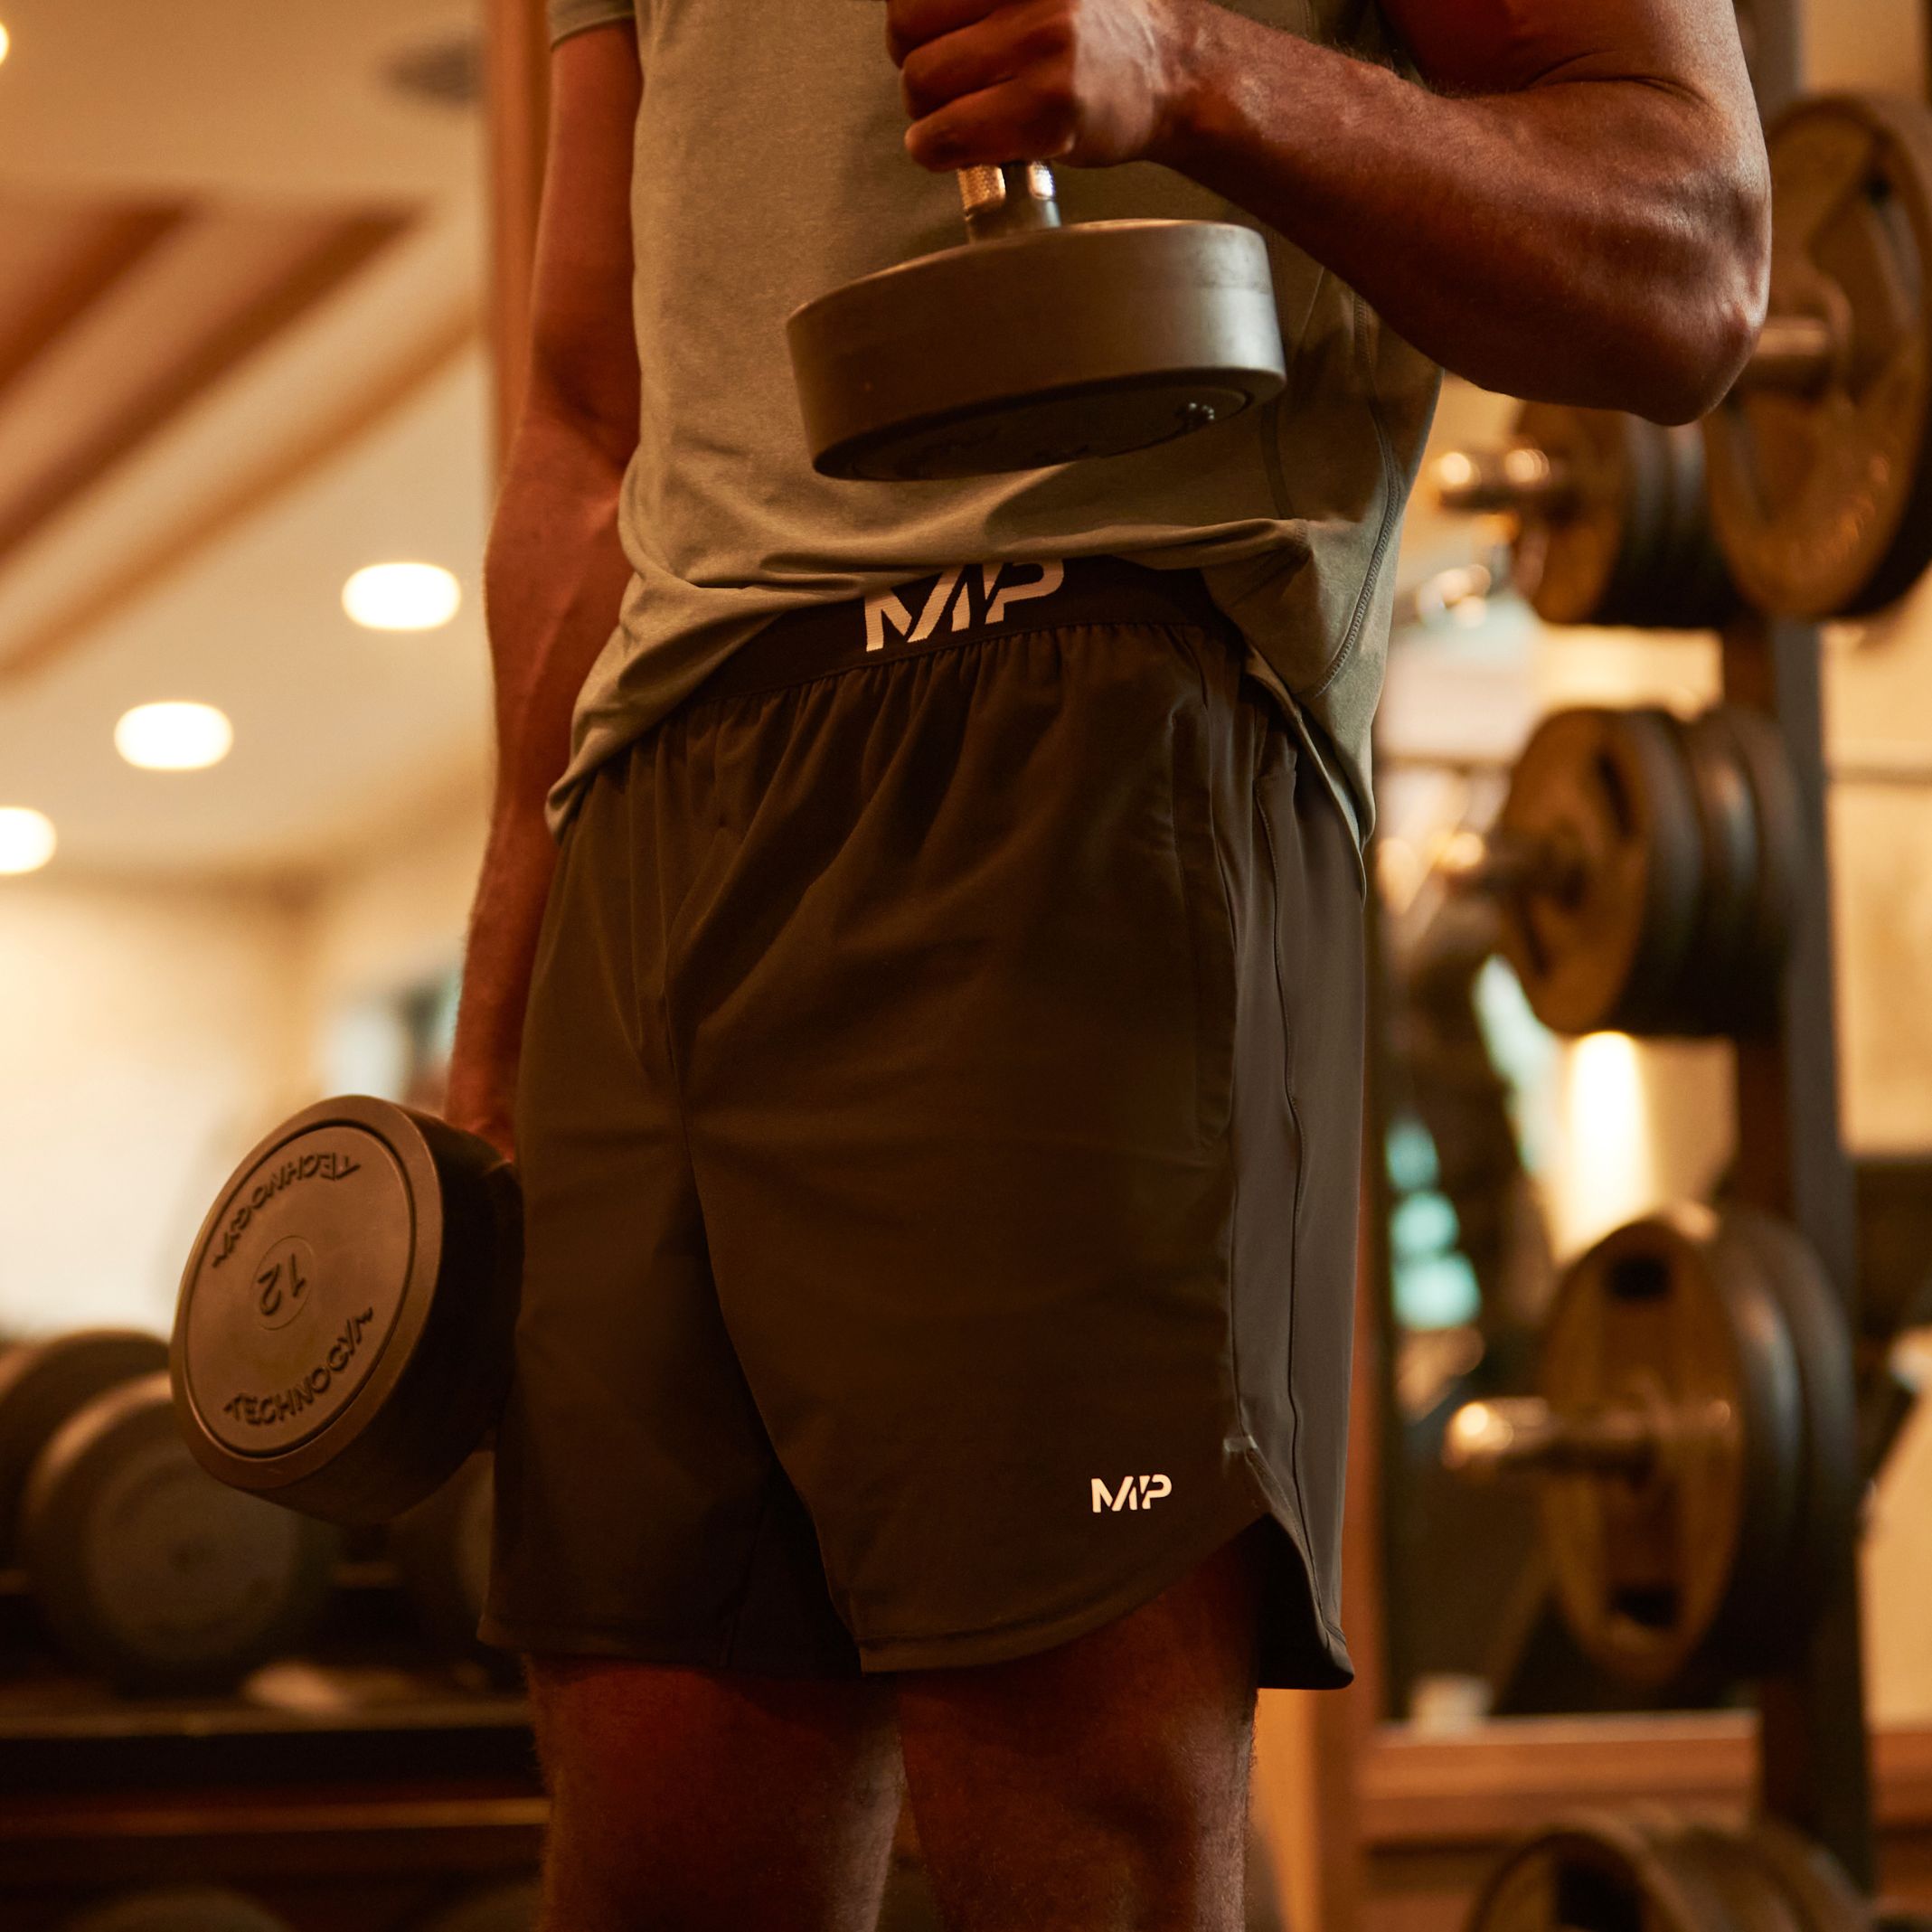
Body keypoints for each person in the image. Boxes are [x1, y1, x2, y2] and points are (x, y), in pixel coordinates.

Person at [447, 2, 1768, 1926]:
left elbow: (1691, 250)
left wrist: (1189, 72)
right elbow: (588, 419)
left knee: (1071, 1817)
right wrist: (500, 1004)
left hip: (1082, 703)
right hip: (657, 791)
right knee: (653, 1827)